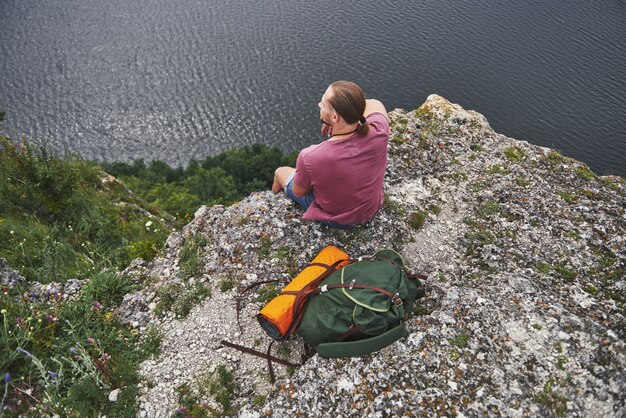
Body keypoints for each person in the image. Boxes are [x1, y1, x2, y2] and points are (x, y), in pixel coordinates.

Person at [272, 80, 390, 227]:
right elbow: (374, 103)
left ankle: (272, 201)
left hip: (342, 220)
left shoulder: (311, 156)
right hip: (372, 207)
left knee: (280, 172)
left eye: (322, 103)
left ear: (335, 117)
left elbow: (299, 191)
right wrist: (347, 114)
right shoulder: (379, 130)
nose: (319, 105)